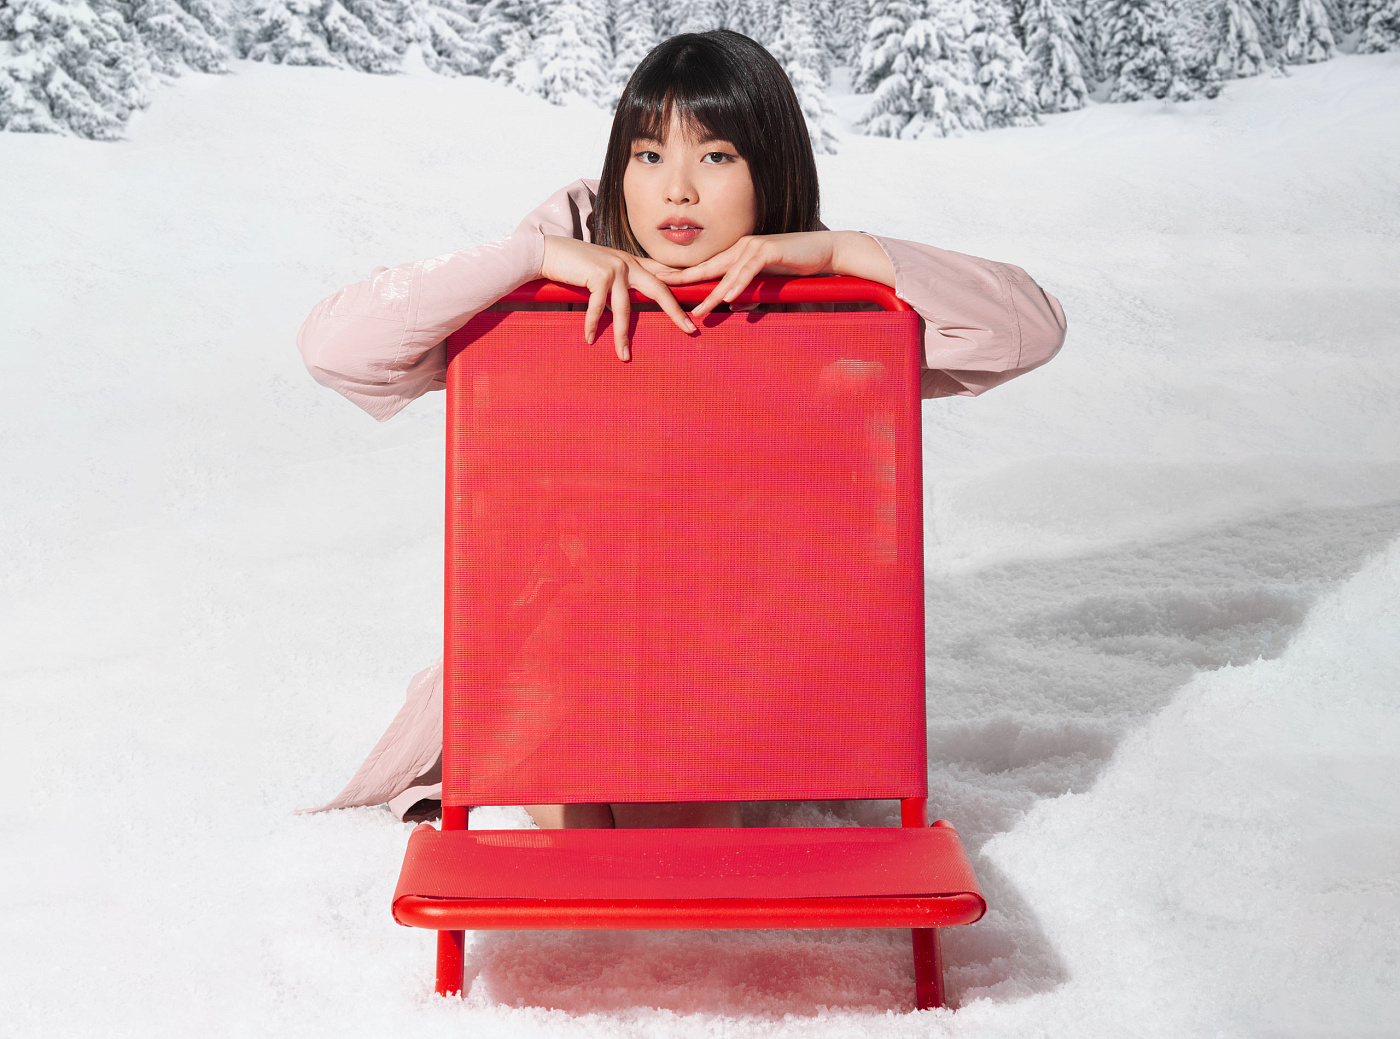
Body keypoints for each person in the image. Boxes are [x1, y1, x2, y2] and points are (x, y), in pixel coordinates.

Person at [297, 30, 1066, 829]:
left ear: (771, 167)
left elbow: (1026, 330)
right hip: (559, 646)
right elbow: (336, 347)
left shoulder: (819, 297)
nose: (678, 191)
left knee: (671, 844)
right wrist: (534, 259)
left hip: (727, 658)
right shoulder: (575, 236)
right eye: (649, 155)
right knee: (593, 831)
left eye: (717, 155)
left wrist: (840, 251)